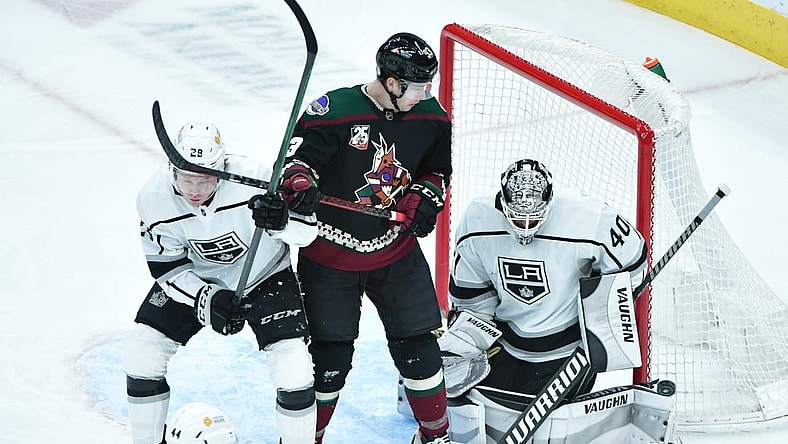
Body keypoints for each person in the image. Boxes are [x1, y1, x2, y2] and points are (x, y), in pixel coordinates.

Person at [280, 32, 453, 444]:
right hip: (329, 256)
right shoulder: (334, 111)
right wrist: (300, 182)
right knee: (329, 360)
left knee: (420, 351)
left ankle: (436, 436)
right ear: (392, 83)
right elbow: (295, 163)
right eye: (417, 86)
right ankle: (310, 437)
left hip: (396, 253)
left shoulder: (432, 116)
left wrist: (424, 197)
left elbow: (436, 171)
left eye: (429, 84)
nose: (425, 93)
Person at [123, 122, 320, 444]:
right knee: (141, 355)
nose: (196, 190)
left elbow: (306, 234)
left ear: (222, 167)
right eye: (187, 179)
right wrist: (207, 298)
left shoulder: (255, 178)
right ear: (172, 171)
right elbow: (166, 267)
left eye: (205, 179)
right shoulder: (152, 198)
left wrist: (283, 222)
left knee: (294, 368)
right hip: (196, 277)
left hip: (264, 274)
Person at [440, 158, 653, 443]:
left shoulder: (590, 219)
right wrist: (467, 342)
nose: (524, 226)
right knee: (477, 406)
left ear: (550, 203)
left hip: (567, 349)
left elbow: (635, 261)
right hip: (505, 341)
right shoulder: (478, 220)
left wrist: (600, 313)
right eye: (516, 217)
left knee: (549, 430)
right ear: (501, 204)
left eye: (533, 216)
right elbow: (473, 298)